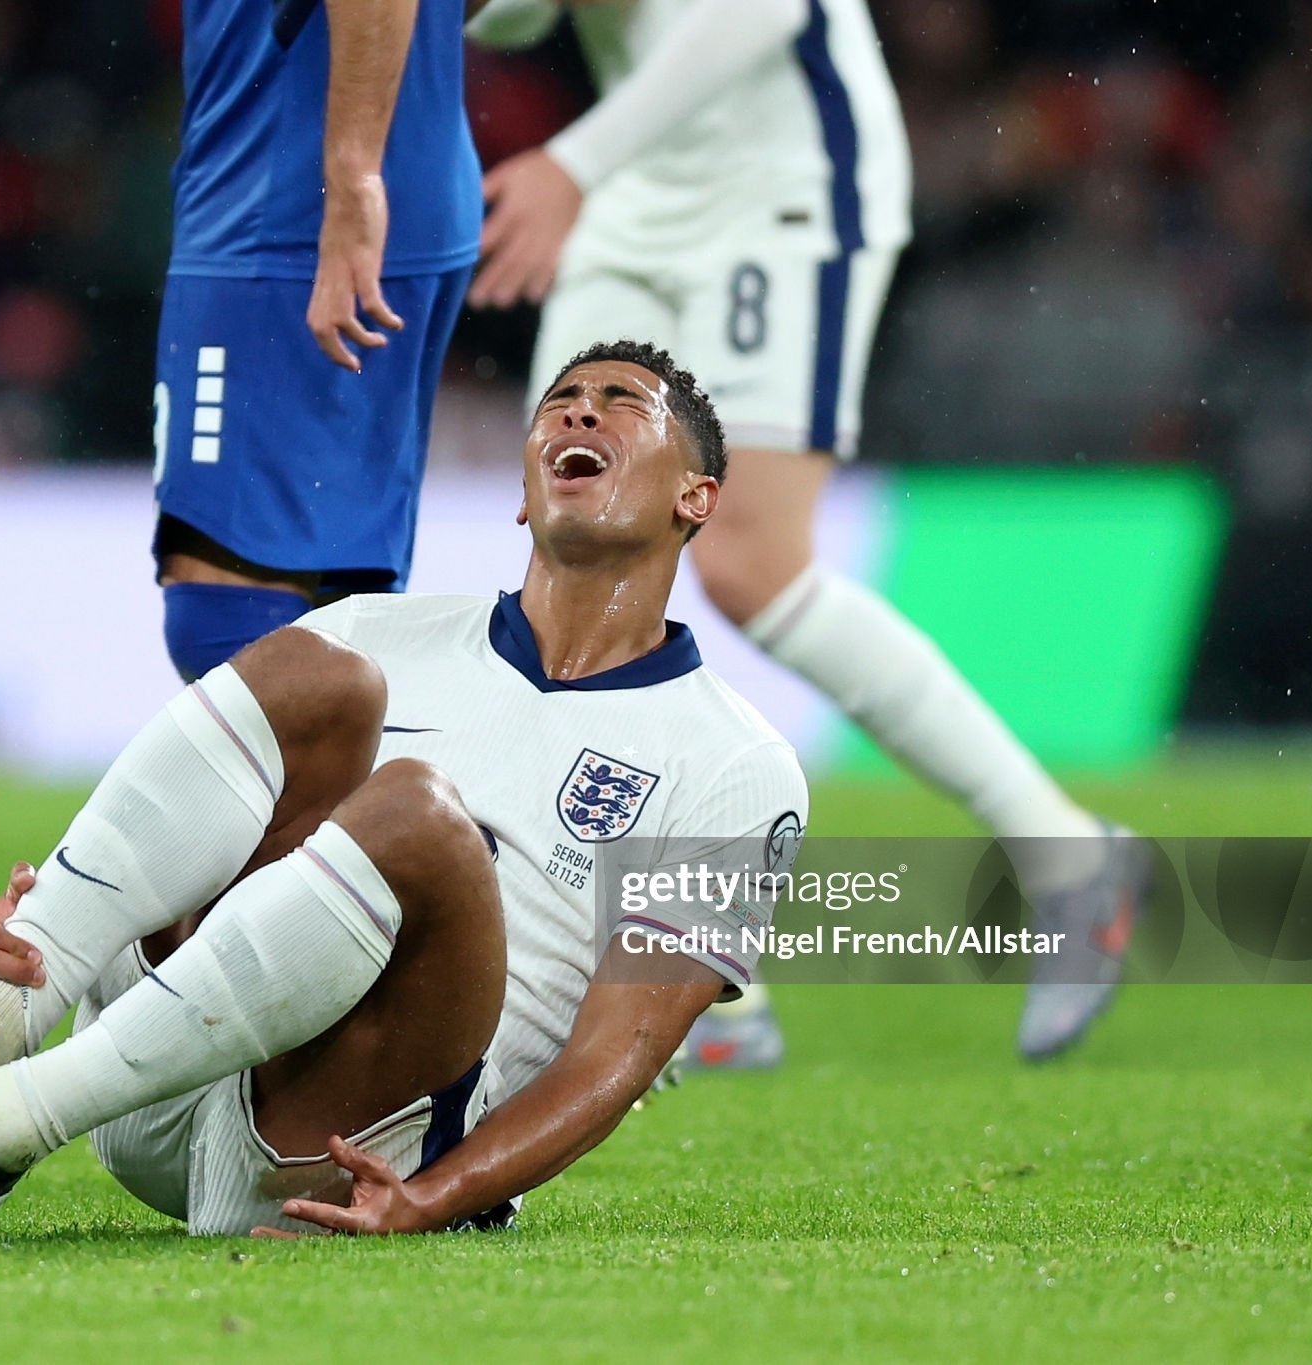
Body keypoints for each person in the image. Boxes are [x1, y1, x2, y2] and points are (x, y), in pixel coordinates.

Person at [0, 341, 810, 1235]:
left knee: (417, 814)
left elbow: (615, 1058)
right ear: (524, 488)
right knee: (320, 679)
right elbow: (190, 835)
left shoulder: (734, 763)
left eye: (620, 402)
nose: (578, 411)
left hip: (357, 1138)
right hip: (158, 1076)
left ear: (696, 497)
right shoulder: (369, 633)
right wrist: (52, 935)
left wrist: (437, 1198)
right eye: (561, 401)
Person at [466, 0, 1145, 1062]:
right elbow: (514, 24)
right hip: (635, 189)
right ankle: (707, 990)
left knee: (754, 565)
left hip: (778, 185)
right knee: (577, 545)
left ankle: (1065, 854)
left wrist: (572, 161)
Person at [150, 0, 481, 682]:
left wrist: (353, 179)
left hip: (285, 202)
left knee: (228, 609)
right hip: (393, 174)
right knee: (338, 597)